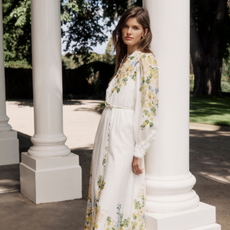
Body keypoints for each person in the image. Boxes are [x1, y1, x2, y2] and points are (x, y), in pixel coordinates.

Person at [84, 6, 159, 230]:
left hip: (124, 133)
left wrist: (139, 150)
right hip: (107, 131)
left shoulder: (147, 61)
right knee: (102, 185)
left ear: (144, 32)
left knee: (115, 188)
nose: (129, 31)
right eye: (126, 26)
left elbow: (149, 107)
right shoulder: (125, 60)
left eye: (135, 27)